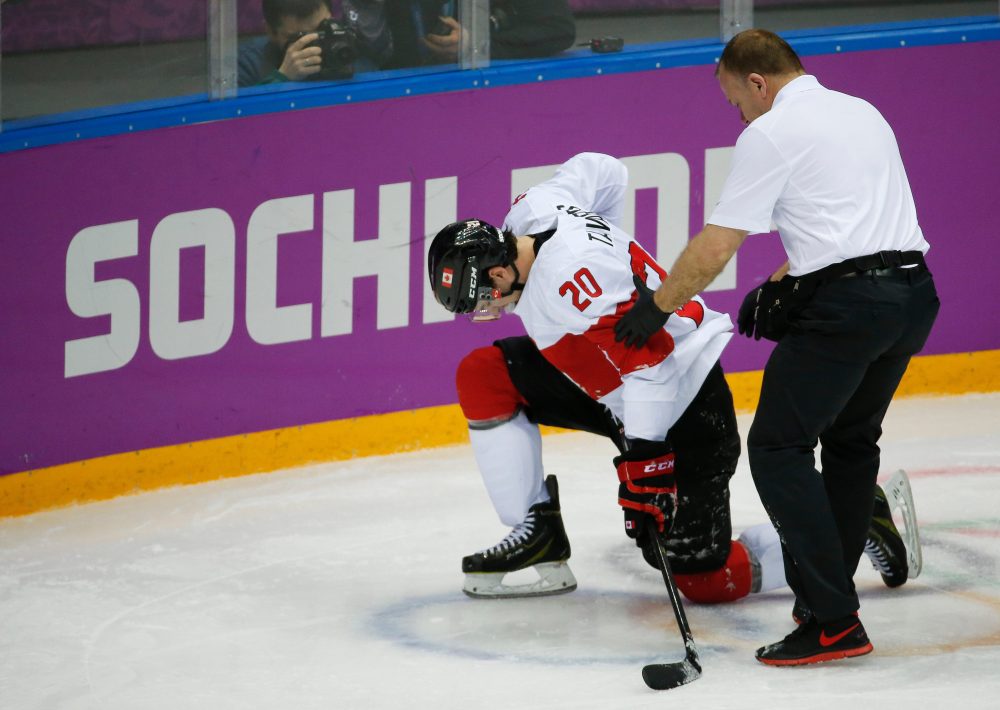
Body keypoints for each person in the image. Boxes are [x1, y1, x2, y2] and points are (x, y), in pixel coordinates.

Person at [427, 152, 912, 612]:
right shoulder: (533, 211)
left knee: (701, 578)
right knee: (485, 375)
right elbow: (605, 170)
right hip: (618, 378)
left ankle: (849, 517)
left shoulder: (570, 284)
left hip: (684, 400)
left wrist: (645, 459)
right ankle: (538, 532)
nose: (486, 307)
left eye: (483, 295)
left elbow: (652, 363)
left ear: (498, 269)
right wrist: (610, 244)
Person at [613, 29, 939, 666]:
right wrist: (784, 280)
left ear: (757, 82)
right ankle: (826, 606)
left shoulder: (768, 132)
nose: (739, 113)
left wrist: (657, 307)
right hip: (911, 299)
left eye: (736, 100)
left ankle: (834, 620)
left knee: (776, 448)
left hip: (847, 313)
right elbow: (850, 223)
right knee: (849, 442)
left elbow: (716, 244)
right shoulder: (861, 110)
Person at [238, 0, 385, 88]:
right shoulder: (248, 65)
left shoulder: (352, 54)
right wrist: (281, 78)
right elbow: (235, 122)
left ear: (331, 17)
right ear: (270, 32)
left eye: (322, 29)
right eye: (299, 37)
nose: (315, 43)